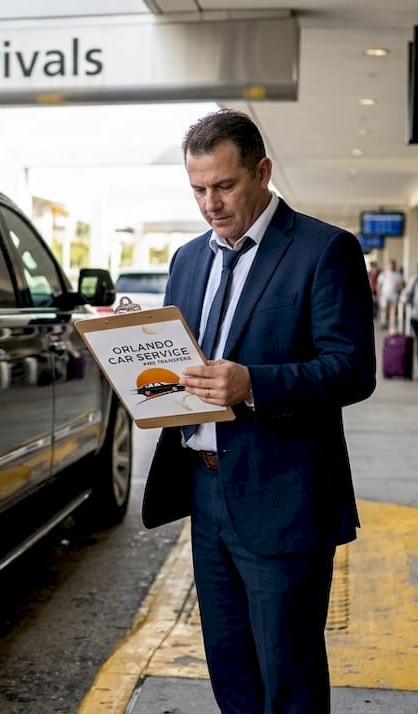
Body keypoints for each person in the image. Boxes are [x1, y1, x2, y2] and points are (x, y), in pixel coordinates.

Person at [141, 108, 376, 713]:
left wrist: (253, 384)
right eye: (198, 189)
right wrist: (133, 353)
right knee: (231, 671)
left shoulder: (325, 250)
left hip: (285, 494)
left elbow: (352, 368)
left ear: (263, 171)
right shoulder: (187, 259)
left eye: (225, 185)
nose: (210, 204)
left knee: (288, 677)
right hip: (206, 492)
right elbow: (178, 367)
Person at [376, 259, 405, 331]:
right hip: (384, 295)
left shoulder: (398, 275)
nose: (391, 266)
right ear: (387, 265)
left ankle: (392, 324)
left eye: (392, 264)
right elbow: (379, 285)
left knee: (393, 310)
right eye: (389, 264)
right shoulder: (383, 274)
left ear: (394, 265)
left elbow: (401, 285)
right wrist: (378, 295)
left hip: (394, 295)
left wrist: (401, 288)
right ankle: (383, 322)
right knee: (384, 309)